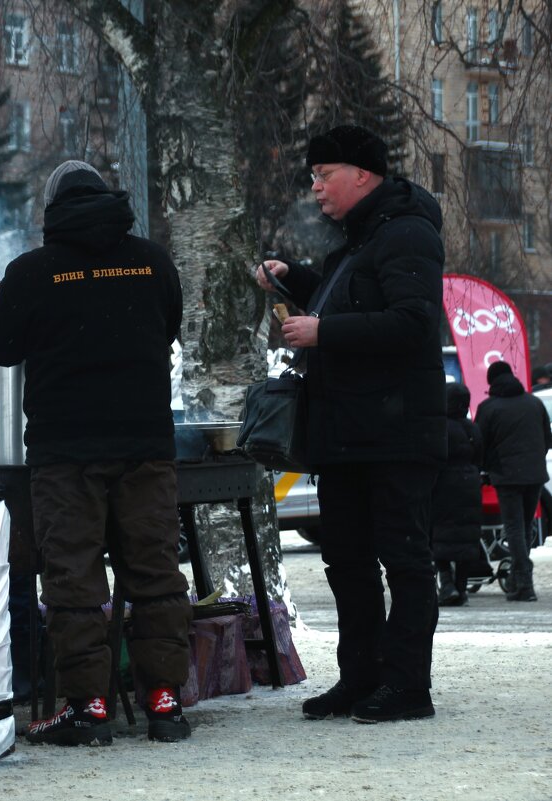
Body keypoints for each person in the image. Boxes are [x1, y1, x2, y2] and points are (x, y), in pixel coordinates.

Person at [0, 159, 191, 745]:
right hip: (145, 447)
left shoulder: (33, 272)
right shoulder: (153, 262)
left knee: (74, 580)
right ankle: (164, 703)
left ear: (52, 211)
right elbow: (168, 327)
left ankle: (87, 708)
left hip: (64, 453)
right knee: (155, 574)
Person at [256, 124, 446, 723]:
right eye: (312, 176)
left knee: (405, 561)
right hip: (345, 435)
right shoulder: (354, 245)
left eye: (324, 174)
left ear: (362, 175)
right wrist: (297, 280)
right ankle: (361, 678)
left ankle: (408, 687)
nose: (315, 188)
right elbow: (354, 302)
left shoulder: (408, 234)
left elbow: (413, 324)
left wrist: (323, 331)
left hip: (395, 437)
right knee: (347, 563)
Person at [475, 360, 551, 602]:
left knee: (514, 527)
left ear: (491, 382)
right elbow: (547, 439)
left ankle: (524, 582)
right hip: (535, 474)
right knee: (525, 527)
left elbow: (479, 444)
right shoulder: (534, 403)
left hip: (506, 476)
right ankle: (519, 579)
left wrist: (485, 468)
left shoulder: (489, 407)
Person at [432, 383, 484, 607]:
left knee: (440, 535)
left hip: (443, 484)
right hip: (470, 484)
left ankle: (447, 584)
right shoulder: (472, 428)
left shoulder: (439, 427)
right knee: (466, 539)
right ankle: (461, 589)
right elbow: (480, 456)